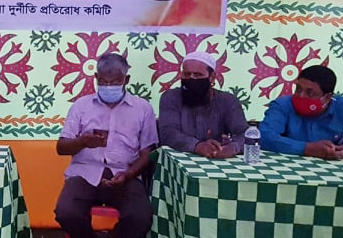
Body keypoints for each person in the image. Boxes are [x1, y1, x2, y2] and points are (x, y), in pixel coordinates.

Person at [54, 53, 157, 238]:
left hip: (125, 175)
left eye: (115, 82)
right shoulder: (81, 106)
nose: (108, 86)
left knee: (140, 217)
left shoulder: (143, 108)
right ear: (95, 77)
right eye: (103, 81)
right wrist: (82, 142)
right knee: (66, 212)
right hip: (84, 174)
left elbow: (146, 153)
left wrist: (128, 174)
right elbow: (61, 148)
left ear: (126, 80)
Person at [158, 51, 249, 158]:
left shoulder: (228, 101)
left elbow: (245, 133)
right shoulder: (171, 98)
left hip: (217, 159)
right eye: (187, 74)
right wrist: (197, 146)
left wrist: (233, 147)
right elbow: (168, 133)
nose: (192, 78)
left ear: (212, 77)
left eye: (198, 75)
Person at [260, 65, 343, 160]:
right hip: (287, 163)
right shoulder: (283, 105)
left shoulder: (342, 107)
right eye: (298, 89)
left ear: (327, 97)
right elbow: (263, 137)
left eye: (309, 93)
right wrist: (307, 148)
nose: (301, 96)